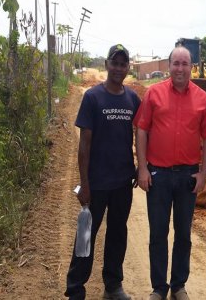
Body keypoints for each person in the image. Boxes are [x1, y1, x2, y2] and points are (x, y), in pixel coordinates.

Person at [134, 46, 206, 300]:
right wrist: (143, 167)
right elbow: (142, 130)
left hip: (187, 177)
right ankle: (159, 288)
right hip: (158, 175)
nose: (180, 69)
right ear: (169, 66)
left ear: (191, 67)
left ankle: (178, 285)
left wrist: (203, 174)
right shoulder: (153, 94)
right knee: (158, 233)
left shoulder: (202, 98)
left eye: (185, 64)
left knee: (183, 234)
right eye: (176, 63)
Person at [65, 44, 141, 300]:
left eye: (123, 64)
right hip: (96, 183)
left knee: (118, 233)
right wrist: (84, 183)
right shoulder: (92, 97)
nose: (119, 68)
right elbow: (84, 144)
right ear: (107, 65)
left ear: (127, 67)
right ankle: (75, 288)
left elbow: (144, 132)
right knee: (86, 234)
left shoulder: (132, 99)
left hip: (122, 182)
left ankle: (113, 285)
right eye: (114, 63)